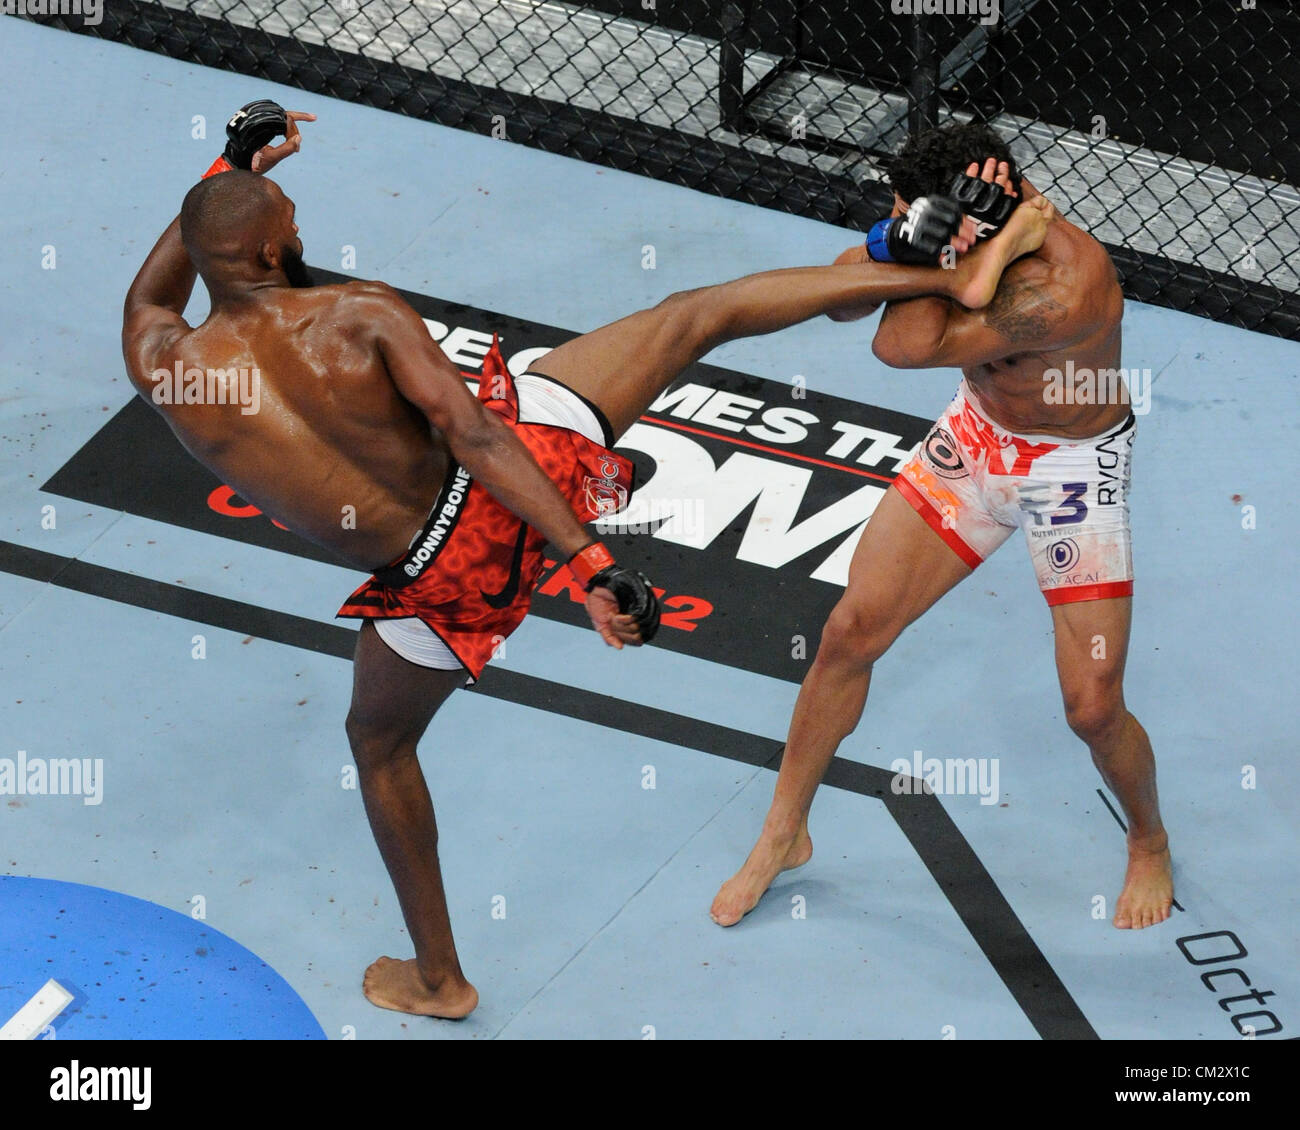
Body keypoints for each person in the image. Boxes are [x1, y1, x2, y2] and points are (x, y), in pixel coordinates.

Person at [121, 103, 1050, 1017]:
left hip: (448, 579)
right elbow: (478, 434)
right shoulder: (358, 313)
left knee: (381, 745)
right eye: (288, 223)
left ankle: (441, 979)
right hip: (529, 472)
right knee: (699, 315)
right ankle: (917, 267)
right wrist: (592, 564)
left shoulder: (159, 360)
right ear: (277, 252)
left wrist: (229, 172)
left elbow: (158, 289)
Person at [713, 121, 1172, 933]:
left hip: (1069, 467)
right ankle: (784, 832)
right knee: (849, 632)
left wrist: (955, 265)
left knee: (1093, 707)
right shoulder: (969, 241)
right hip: (978, 437)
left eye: (919, 218)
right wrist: (919, 243)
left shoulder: (1064, 285)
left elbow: (901, 340)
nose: (907, 229)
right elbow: (838, 299)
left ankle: (1149, 839)